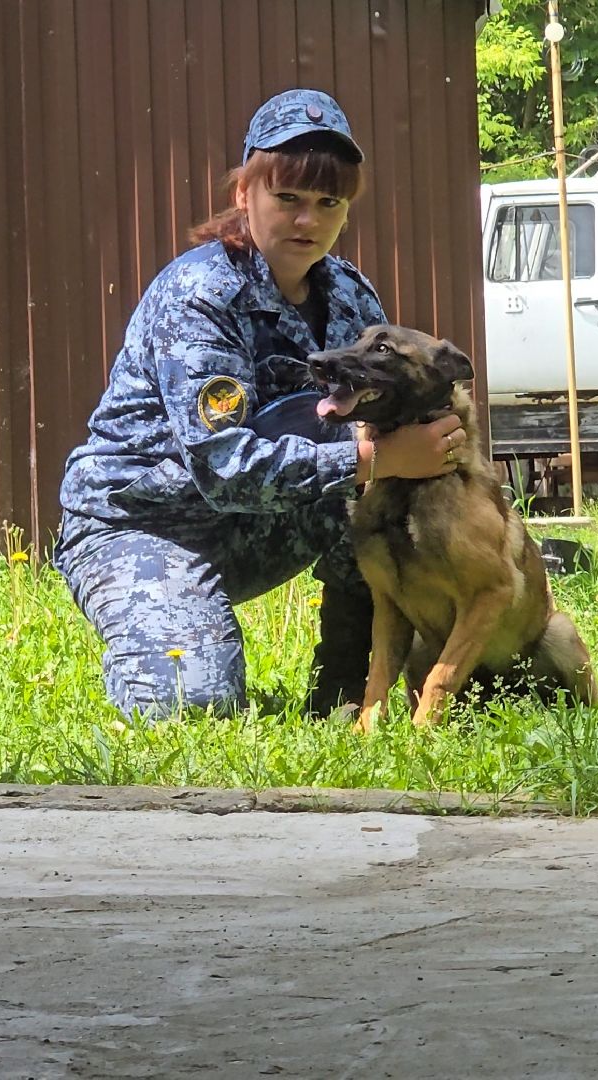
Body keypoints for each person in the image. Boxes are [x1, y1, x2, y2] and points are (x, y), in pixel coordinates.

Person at [53, 89, 466, 721]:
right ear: (245, 193)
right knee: (193, 708)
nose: (308, 220)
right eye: (288, 198)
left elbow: (396, 415)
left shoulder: (351, 299)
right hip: (141, 523)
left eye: (329, 202)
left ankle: (346, 694)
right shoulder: (200, 295)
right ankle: (160, 632)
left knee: (388, 518)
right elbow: (220, 466)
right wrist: (372, 460)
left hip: (262, 520)